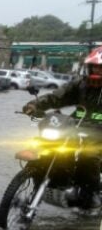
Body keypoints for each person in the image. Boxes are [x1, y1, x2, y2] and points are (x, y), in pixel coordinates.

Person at [22, 47, 102, 209]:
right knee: (48, 146)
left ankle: (90, 193)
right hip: (76, 125)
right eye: (94, 67)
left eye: (100, 68)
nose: (97, 70)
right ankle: (54, 182)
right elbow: (57, 97)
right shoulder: (80, 84)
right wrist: (35, 105)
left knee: (89, 157)